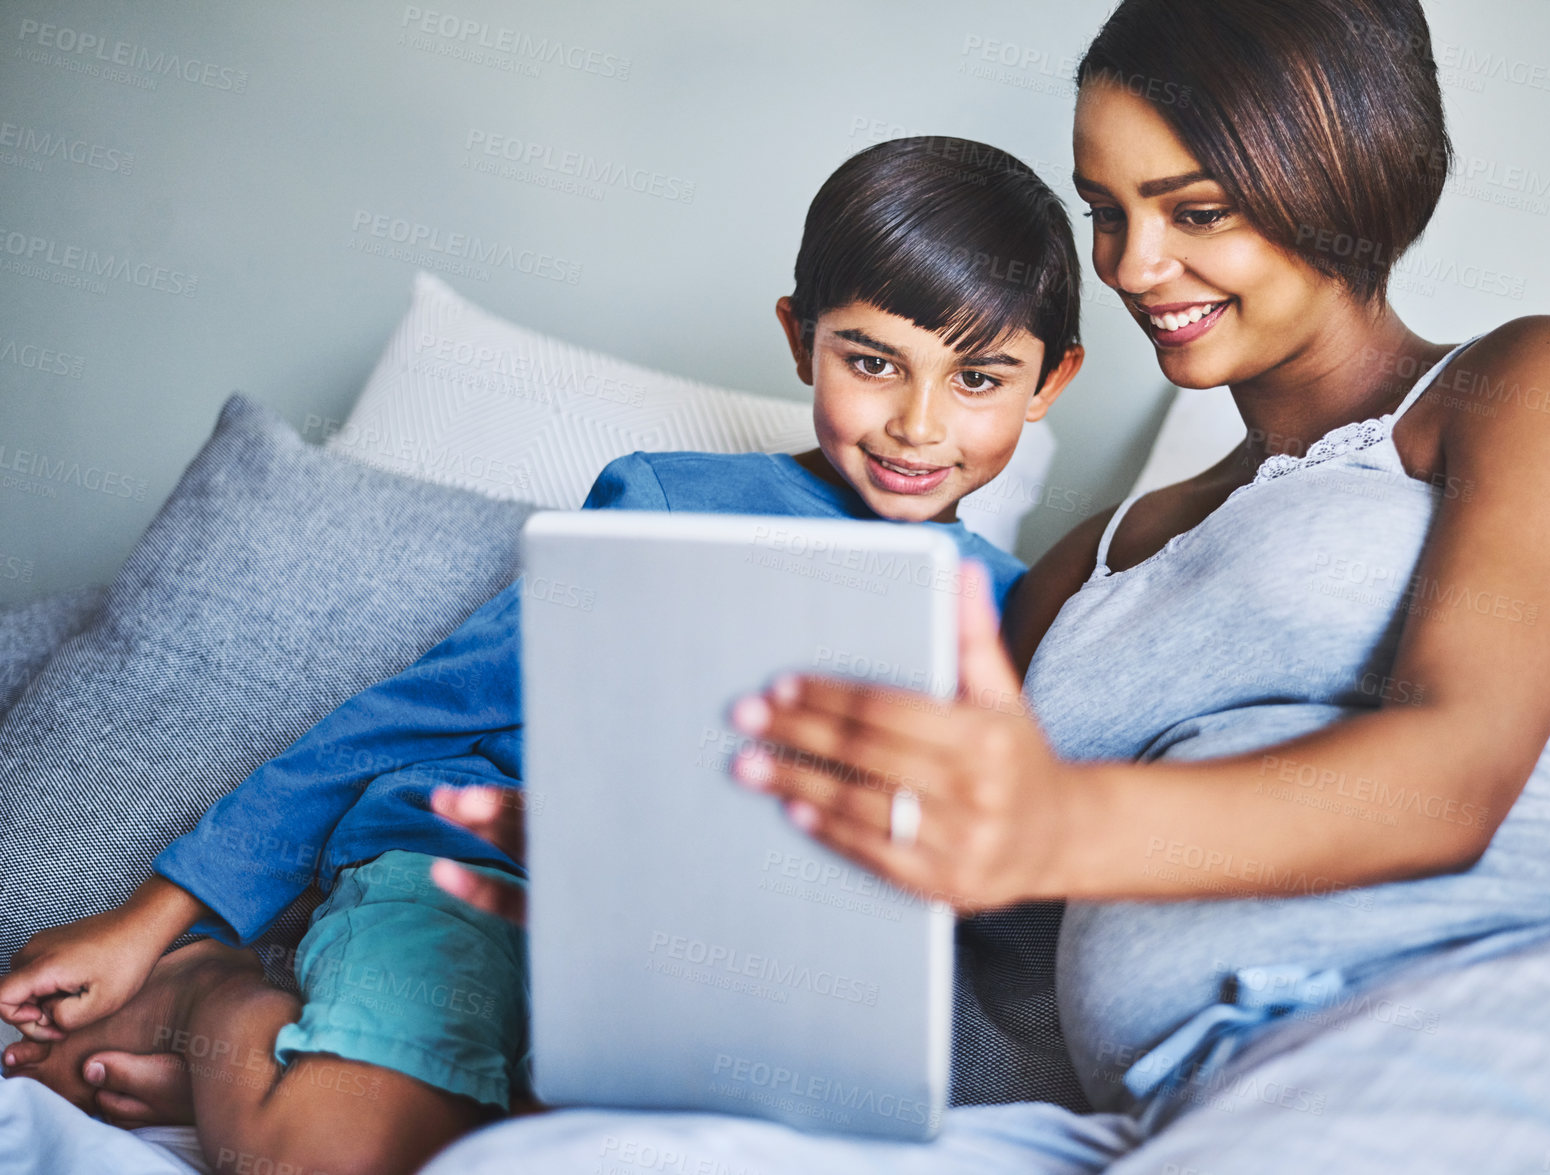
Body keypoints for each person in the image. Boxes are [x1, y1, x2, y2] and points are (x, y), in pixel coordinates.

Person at [410, 1, 1550, 1171]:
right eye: (1107, 209)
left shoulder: (1519, 385)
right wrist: (665, 891)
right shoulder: (1079, 564)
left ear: (1343, 179)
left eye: (1195, 212)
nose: (1135, 266)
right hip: (1171, 1095)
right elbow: (977, 912)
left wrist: (1053, 823)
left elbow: (1449, 778)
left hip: (1503, 999)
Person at [0, 134, 1085, 1175]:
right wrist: (153, 922)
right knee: (330, 1154)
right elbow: (412, 710)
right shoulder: (667, 501)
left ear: (1050, 384)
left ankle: (278, 1068)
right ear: (800, 338)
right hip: (479, 865)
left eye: (979, 380)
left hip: (708, 953)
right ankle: (210, 994)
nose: (917, 423)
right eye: (872, 361)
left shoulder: (1007, 616)